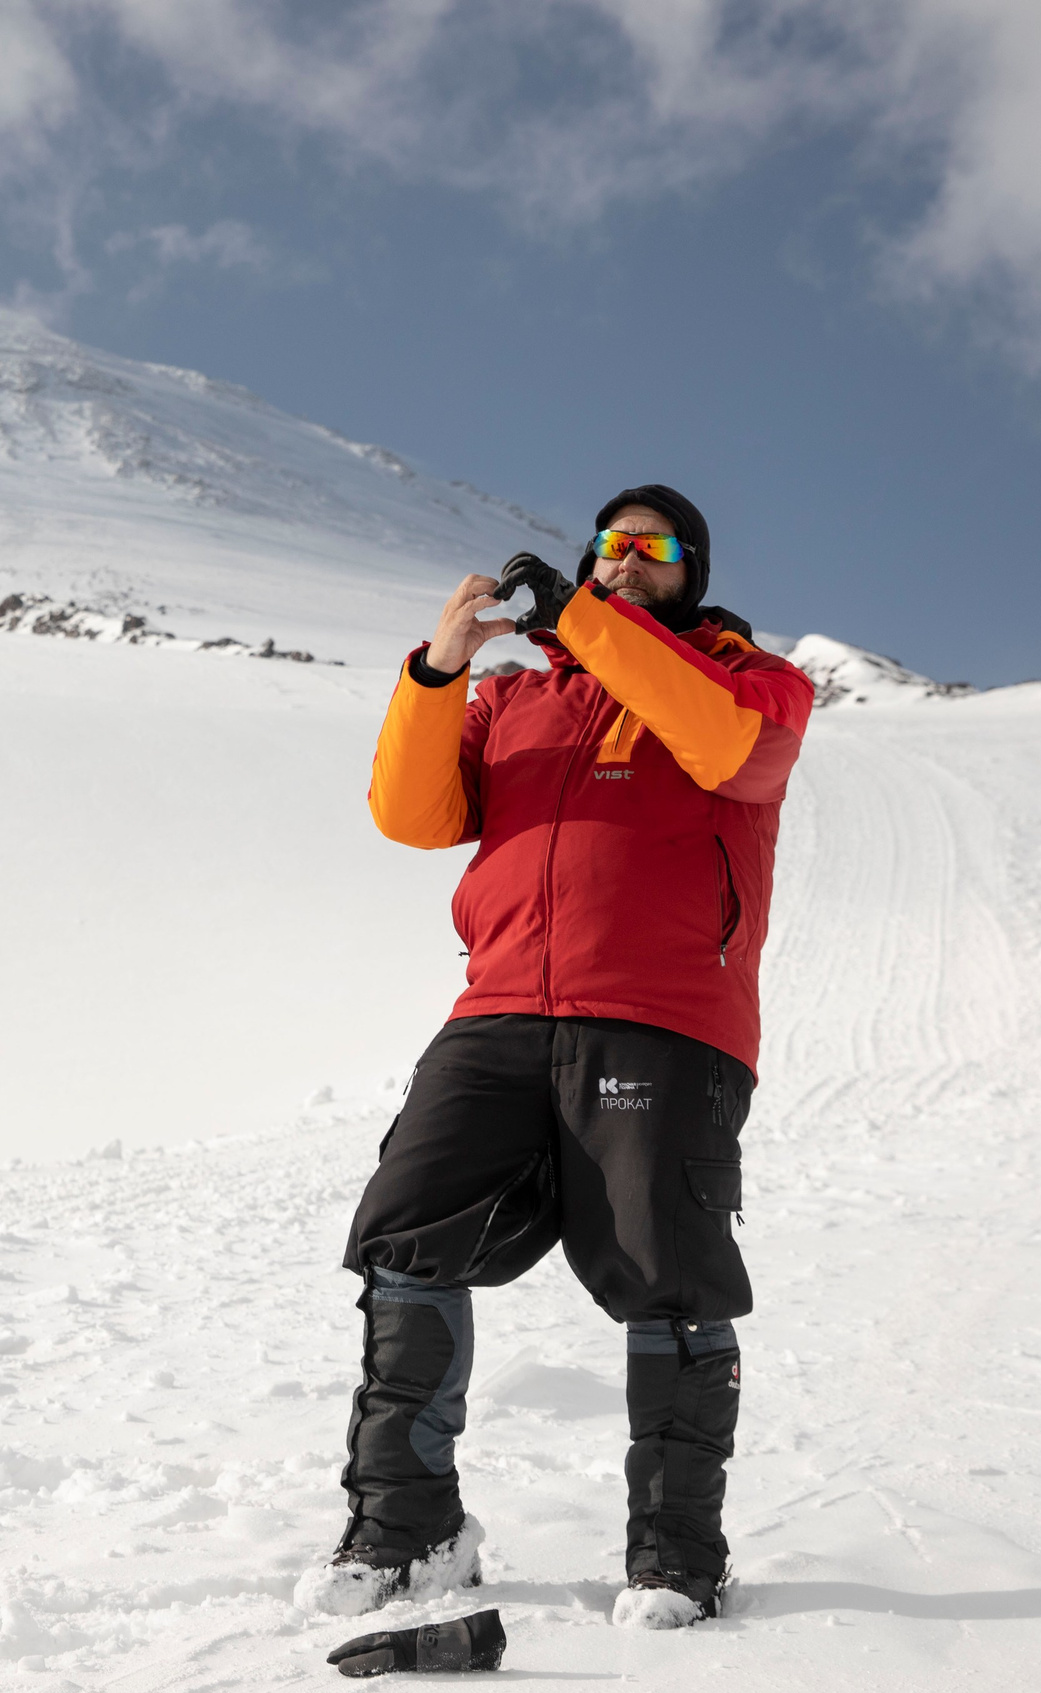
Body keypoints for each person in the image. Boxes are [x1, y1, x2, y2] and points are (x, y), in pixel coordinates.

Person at [294, 484, 812, 1630]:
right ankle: (408, 1529)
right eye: (610, 546)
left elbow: (730, 748)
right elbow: (412, 814)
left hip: (663, 1019)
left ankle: (676, 1557)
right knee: (404, 1237)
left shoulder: (752, 683)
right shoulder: (521, 698)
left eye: (651, 547)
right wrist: (437, 674)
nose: (627, 560)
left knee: (667, 1279)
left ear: (693, 568)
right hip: (497, 1013)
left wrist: (584, 619)